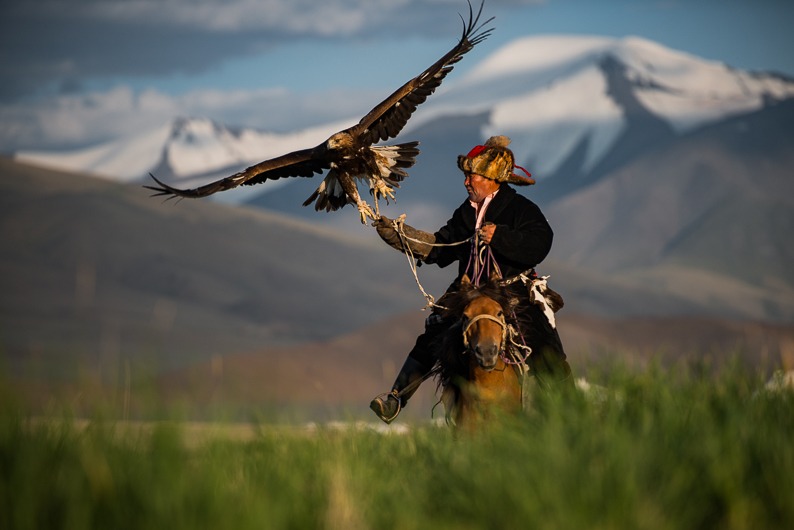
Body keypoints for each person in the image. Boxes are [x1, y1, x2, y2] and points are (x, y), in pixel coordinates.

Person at [369, 135, 573, 424]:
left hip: (511, 288)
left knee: (540, 340)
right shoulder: (466, 212)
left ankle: (571, 408)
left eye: (471, 175)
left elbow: (541, 243)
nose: (466, 181)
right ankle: (396, 397)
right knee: (434, 331)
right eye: (466, 175)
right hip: (468, 290)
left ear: (491, 178)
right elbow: (441, 247)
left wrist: (500, 236)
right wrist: (402, 237)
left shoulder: (522, 209)